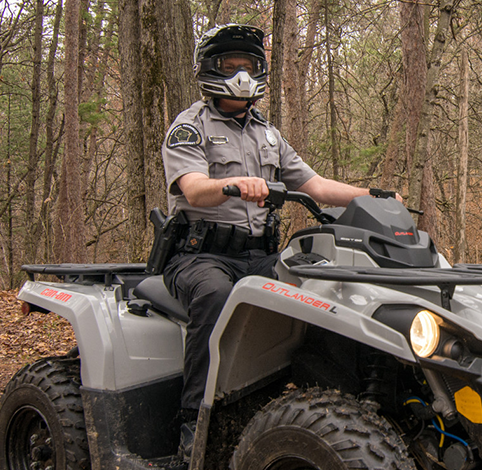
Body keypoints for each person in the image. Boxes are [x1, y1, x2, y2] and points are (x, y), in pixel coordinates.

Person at [160, 24, 398, 461]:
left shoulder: (268, 135)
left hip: (261, 256)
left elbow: (318, 186)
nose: (241, 74)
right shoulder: (189, 127)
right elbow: (192, 189)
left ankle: (333, 411)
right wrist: (235, 184)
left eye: (248, 65)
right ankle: (194, 425)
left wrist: (373, 195)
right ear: (211, 69)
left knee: (323, 294)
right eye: (231, 65)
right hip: (200, 257)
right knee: (215, 297)